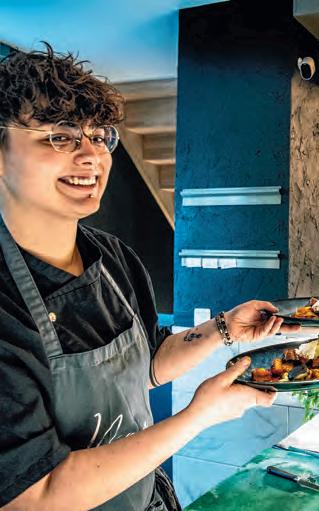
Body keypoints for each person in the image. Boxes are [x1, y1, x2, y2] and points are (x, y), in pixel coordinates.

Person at [0, 45, 299, 510]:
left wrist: (222, 329)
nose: (91, 156)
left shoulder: (113, 257)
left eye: (99, 136)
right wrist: (199, 416)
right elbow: (35, 496)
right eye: (60, 137)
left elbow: (147, 366)